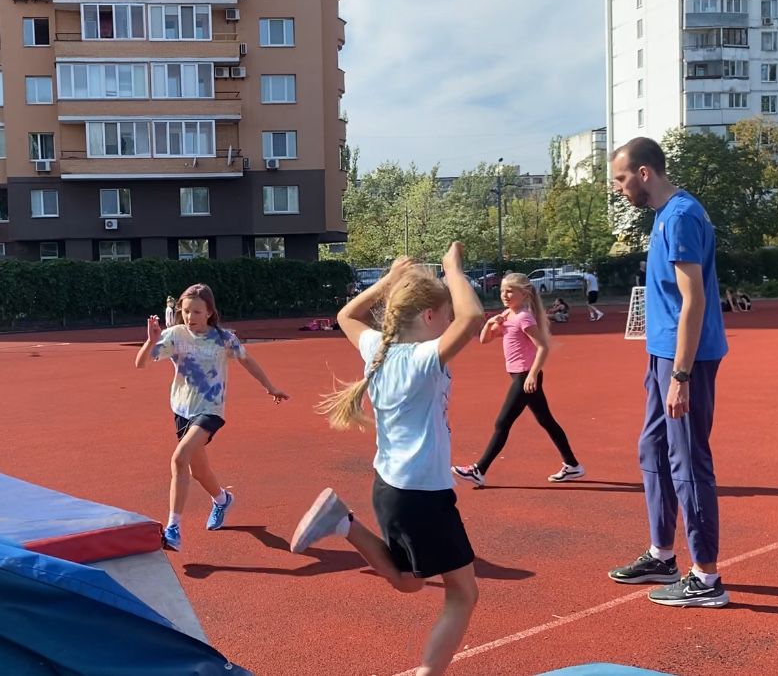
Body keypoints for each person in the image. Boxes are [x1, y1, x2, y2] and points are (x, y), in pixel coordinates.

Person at [289, 244, 484, 676]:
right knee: (463, 593)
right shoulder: (421, 359)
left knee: (409, 582)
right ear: (429, 316)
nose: (449, 323)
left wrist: (386, 282)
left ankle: (342, 522)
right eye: (445, 316)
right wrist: (452, 269)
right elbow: (472, 318)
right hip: (422, 495)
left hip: (390, 488)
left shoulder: (379, 347)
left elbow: (346, 315)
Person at [609, 137, 729, 608]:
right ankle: (662, 555)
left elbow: (693, 299)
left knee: (688, 460)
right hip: (662, 354)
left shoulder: (679, 216)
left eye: (621, 179)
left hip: (685, 361)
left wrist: (681, 376)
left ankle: (706, 577)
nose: (619, 188)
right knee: (653, 447)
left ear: (644, 173)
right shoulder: (664, 215)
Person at [135, 283, 288, 552]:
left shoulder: (224, 339)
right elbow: (141, 363)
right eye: (186, 311)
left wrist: (270, 386)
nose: (190, 317)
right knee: (198, 471)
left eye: (196, 311)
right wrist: (151, 340)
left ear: (209, 312)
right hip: (182, 410)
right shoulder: (175, 335)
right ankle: (222, 499)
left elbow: (247, 361)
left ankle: (173, 529)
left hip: (210, 410)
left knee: (179, 458)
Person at [452, 272, 585, 487]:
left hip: (525, 376)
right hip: (520, 375)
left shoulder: (524, 317)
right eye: (502, 291)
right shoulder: (508, 314)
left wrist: (532, 375)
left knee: (502, 422)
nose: (504, 295)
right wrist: (490, 323)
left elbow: (543, 346)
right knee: (546, 421)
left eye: (510, 291)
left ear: (524, 294)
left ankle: (479, 470)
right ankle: (572, 465)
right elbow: (485, 340)